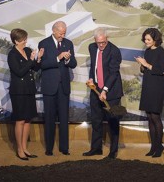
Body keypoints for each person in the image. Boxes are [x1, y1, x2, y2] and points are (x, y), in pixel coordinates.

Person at [83, 27, 123, 159]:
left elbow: (113, 73)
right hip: (95, 90)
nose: (101, 45)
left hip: (111, 91)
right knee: (96, 120)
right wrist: (90, 78)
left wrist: (105, 90)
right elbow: (94, 67)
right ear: (95, 40)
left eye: (103, 42)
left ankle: (113, 151)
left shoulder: (114, 51)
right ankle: (96, 149)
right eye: (98, 42)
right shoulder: (92, 47)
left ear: (107, 39)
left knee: (112, 121)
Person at [38, 21, 77, 156]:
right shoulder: (44, 43)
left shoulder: (68, 43)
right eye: (61, 32)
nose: (63, 35)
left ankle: (64, 147)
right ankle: (49, 148)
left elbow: (73, 63)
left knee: (64, 118)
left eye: (64, 32)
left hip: (64, 87)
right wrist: (58, 58)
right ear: (54, 31)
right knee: (49, 118)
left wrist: (67, 59)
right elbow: (42, 65)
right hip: (49, 87)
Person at [7, 28, 44, 160]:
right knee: (20, 120)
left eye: (26, 39)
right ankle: (19, 149)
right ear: (16, 41)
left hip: (29, 89)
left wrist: (38, 59)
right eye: (23, 40)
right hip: (18, 92)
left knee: (28, 119)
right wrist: (31, 60)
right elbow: (20, 72)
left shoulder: (27, 51)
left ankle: (25, 147)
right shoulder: (12, 55)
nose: (25, 41)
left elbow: (35, 68)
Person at [135, 28, 164, 158]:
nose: (146, 42)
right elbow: (145, 70)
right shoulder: (147, 51)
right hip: (147, 86)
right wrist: (142, 65)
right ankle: (153, 147)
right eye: (145, 39)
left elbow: (161, 70)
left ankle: (159, 147)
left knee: (155, 116)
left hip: (157, 87)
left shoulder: (161, 52)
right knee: (149, 116)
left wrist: (146, 64)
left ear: (155, 39)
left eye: (148, 39)